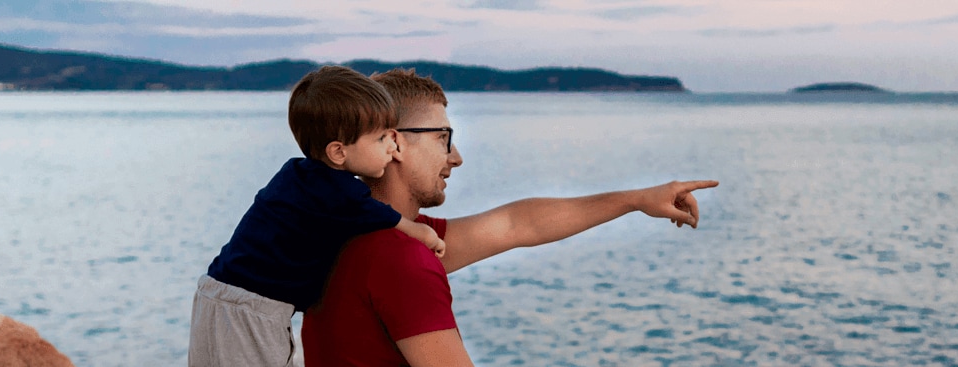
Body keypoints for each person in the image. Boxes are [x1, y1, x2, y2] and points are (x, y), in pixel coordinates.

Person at [302, 68, 718, 366]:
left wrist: (637, 198)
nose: (456, 157)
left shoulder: (354, 231)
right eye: (443, 138)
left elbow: (518, 224)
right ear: (394, 143)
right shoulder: (400, 258)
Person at [188, 66, 449, 367]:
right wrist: (423, 233)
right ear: (338, 152)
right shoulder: (340, 192)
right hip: (253, 307)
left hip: (217, 292)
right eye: (380, 139)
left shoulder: (298, 174)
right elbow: (386, 216)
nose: (391, 146)